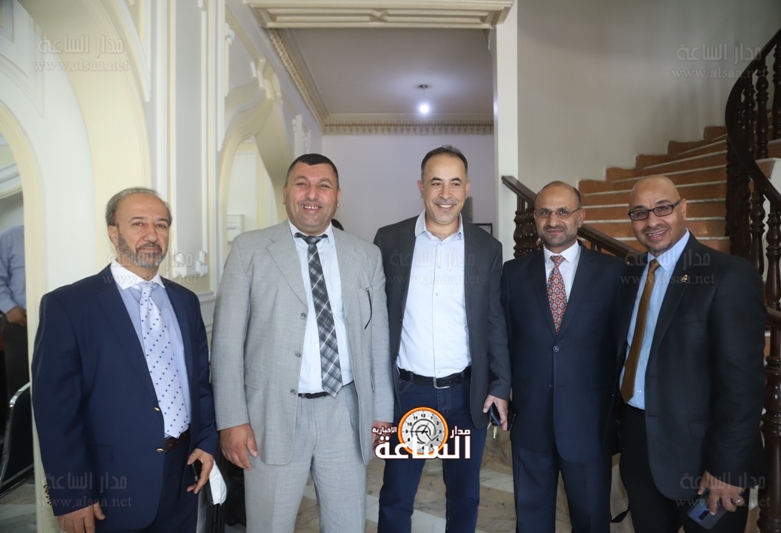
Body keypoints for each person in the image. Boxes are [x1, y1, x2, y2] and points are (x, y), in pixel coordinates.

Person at [211, 153, 393, 532]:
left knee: (347, 525)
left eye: (323, 186)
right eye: (302, 184)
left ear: (337, 196)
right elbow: (226, 344)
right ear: (285, 193)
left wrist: (382, 413)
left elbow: (377, 341)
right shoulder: (249, 250)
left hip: (345, 412)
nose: (312, 194)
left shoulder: (365, 255)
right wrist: (231, 420)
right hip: (271, 416)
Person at [31, 188, 218, 533]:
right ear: (113, 232)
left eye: (161, 224)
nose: (152, 235)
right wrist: (72, 494)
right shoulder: (69, 306)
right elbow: (56, 413)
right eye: (138, 223)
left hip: (183, 476)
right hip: (111, 487)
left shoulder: (185, 301)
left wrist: (207, 443)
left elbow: (199, 384)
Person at [374, 145, 511, 532]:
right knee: (397, 494)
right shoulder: (390, 240)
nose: (445, 194)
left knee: (464, 495)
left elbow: (494, 321)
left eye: (454, 183)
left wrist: (500, 384)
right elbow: (374, 319)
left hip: (466, 396)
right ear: (421, 187)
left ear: (467, 188)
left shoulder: (487, 248)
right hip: (408, 395)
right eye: (436, 183)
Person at [618, 175, 766, 533]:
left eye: (662, 208)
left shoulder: (728, 275)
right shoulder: (632, 272)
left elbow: (743, 385)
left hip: (704, 459)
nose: (652, 221)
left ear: (683, 208)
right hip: (638, 445)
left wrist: (727, 467)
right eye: (640, 213)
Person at [501, 182, 625, 532]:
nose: (553, 220)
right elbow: (504, 341)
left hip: (589, 424)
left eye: (563, 211)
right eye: (544, 212)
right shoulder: (512, 274)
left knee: (591, 521)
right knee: (531, 522)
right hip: (530, 420)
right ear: (535, 218)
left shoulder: (614, 273)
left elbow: (621, 347)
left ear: (580, 217)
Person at [0, 225, 28, 401]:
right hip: (20, 323)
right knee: (21, 387)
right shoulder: (10, 237)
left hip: (56, 321)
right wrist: (9, 308)